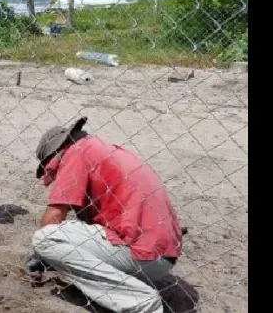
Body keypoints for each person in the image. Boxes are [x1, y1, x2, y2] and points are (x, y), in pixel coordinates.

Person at [26, 117, 185, 313]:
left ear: (55, 156)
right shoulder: (101, 148)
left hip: (144, 255)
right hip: (163, 253)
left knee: (46, 238)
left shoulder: (75, 152)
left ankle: (142, 303)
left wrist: (40, 255)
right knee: (71, 234)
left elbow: (55, 215)